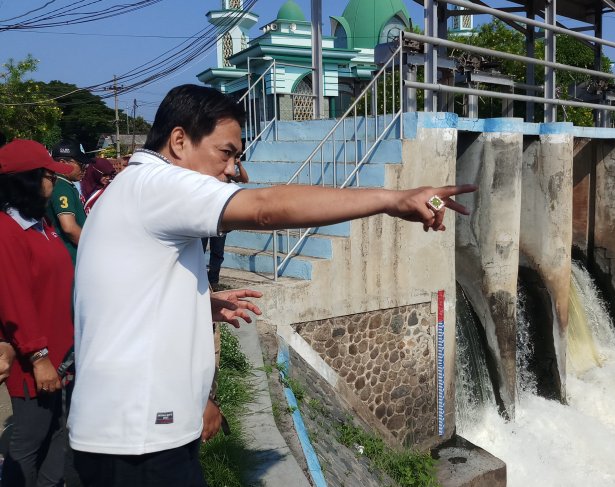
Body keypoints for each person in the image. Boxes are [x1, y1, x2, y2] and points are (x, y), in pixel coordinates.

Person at [68, 84, 476, 486]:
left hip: (129, 434)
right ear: (179, 140)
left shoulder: (134, 189)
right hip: (137, 441)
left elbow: (126, 292)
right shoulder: (157, 186)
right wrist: (393, 200)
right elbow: (264, 209)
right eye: (225, 153)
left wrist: (194, 303)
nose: (231, 169)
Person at [0, 140, 76, 487]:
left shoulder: (40, 224)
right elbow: (13, 299)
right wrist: (39, 356)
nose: (54, 183)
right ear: (28, 180)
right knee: (29, 442)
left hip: (63, 353)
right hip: (36, 363)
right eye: (49, 175)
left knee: (60, 433)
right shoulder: (7, 231)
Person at [201, 158, 249, 288]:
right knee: (199, 249)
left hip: (220, 219)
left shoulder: (227, 174)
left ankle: (213, 281)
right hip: (205, 218)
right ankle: (198, 278)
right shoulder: (208, 173)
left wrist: (239, 164)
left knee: (217, 252)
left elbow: (245, 179)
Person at [46, 139, 92, 264]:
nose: (84, 169)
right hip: (69, 257)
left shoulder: (64, 184)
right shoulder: (61, 187)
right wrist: (91, 249)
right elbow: (69, 227)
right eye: (81, 164)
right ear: (62, 162)